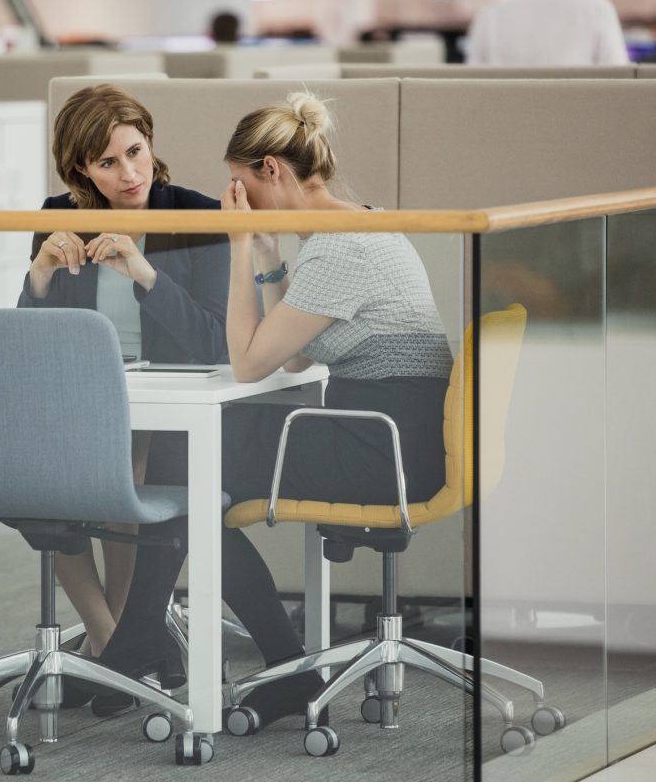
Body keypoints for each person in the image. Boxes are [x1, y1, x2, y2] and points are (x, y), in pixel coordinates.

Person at [89, 91, 453, 726]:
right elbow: (292, 357)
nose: (237, 200)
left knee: (189, 463)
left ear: (272, 172)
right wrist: (264, 255)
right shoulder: (354, 225)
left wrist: (235, 248)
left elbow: (253, 361)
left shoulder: (343, 248)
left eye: (240, 185)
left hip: (381, 449)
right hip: (388, 435)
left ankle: (172, 642)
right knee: (191, 461)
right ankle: (152, 636)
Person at [16, 84, 229, 694]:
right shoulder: (59, 216)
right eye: (108, 163)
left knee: (126, 462)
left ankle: (109, 649)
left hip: (171, 403)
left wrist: (144, 272)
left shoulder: (194, 213)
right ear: (81, 167)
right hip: (80, 395)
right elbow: (26, 341)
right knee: (44, 480)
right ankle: (113, 642)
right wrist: (38, 278)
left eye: (135, 151)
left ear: (150, 142)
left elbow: (212, 339)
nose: (130, 172)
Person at [465, 0, 629, 66]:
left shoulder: (489, 15)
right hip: (580, 125)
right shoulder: (598, 10)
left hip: (504, 125)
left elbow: (472, 85)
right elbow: (619, 80)